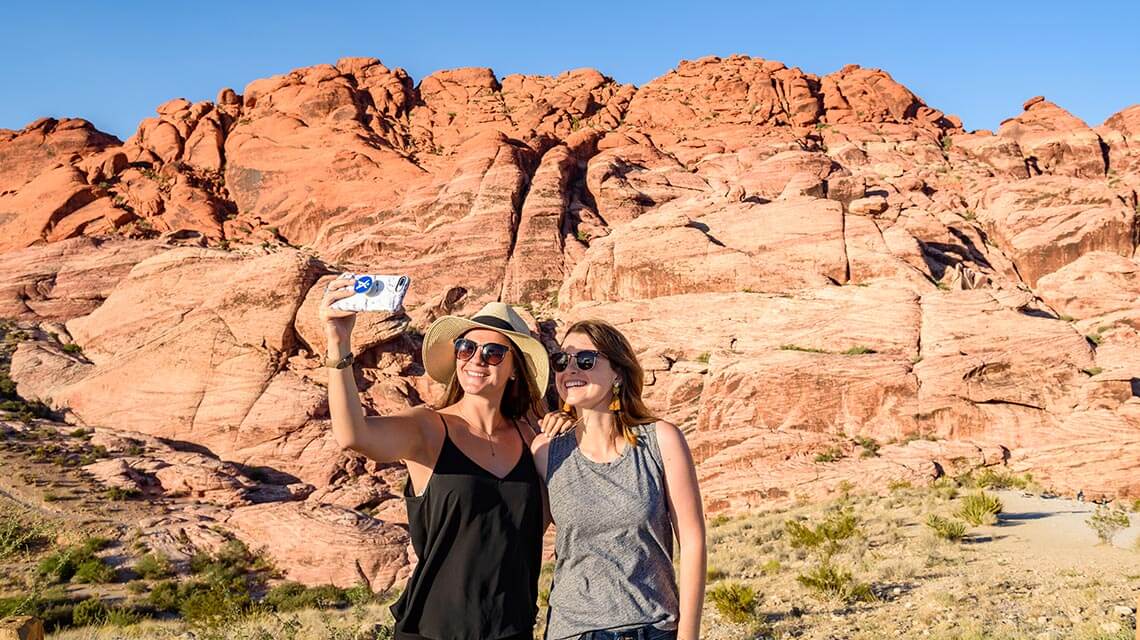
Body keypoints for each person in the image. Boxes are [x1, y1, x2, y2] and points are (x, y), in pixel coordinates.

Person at [320, 279, 570, 640]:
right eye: (467, 347)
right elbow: (352, 435)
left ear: (515, 368)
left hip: (511, 629)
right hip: (432, 629)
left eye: (493, 353)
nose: (476, 360)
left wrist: (569, 431)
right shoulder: (429, 428)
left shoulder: (532, 439)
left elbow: (553, 517)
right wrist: (338, 343)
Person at [533, 319, 707, 640]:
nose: (570, 369)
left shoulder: (661, 440)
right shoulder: (546, 451)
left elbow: (693, 542)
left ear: (617, 373)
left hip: (652, 628)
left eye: (585, 360)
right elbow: (521, 540)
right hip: (572, 632)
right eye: (561, 360)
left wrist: (688, 636)